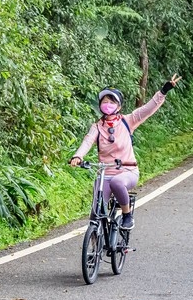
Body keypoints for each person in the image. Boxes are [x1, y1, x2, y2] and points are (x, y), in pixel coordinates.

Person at [69, 74, 182, 229]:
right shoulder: (97, 127)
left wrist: (164, 90)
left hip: (128, 171)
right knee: (96, 210)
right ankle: (95, 243)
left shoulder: (128, 120)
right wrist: (78, 156)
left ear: (119, 106)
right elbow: (87, 141)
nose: (107, 104)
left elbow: (148, 109)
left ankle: (127, 215)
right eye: (105, 102)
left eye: (112, 102)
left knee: (117, 182)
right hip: (105, 173)